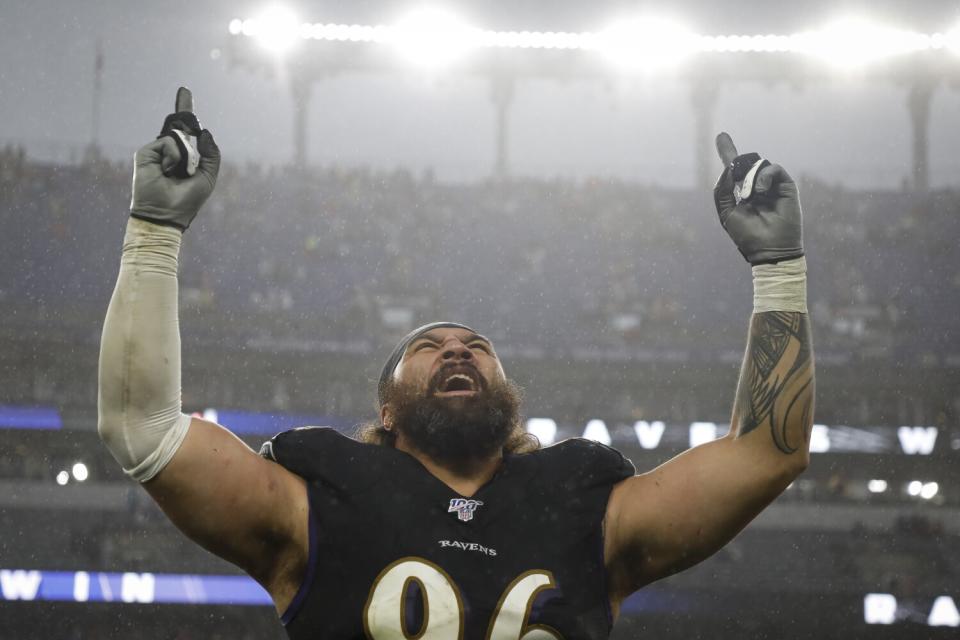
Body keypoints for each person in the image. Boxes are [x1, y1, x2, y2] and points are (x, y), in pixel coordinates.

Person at [98, 88, 815, 638]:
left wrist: (778, 268)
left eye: (477, 347)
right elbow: (143, 428)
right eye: (427, 347)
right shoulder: (318, 502)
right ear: (386, 407)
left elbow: (767, 453)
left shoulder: (584, 508)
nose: (457, 349)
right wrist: (155, 232)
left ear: (510, 397)